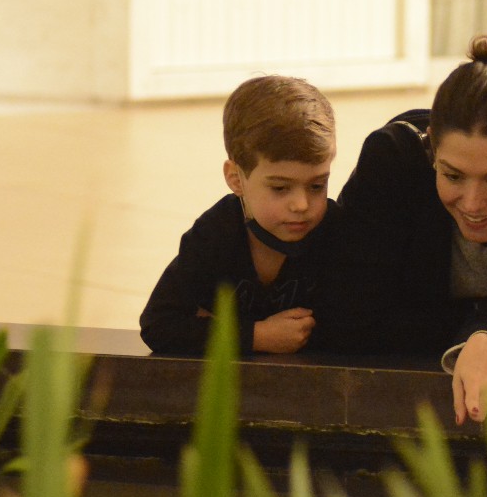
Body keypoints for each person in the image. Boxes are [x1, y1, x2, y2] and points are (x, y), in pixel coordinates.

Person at [322, 35, 487, 424]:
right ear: (431, 151)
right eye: (453, 175)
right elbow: (349, 320)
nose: (473, 203)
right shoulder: (392, 161)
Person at [140, 74, 338, 356]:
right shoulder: (215, 235)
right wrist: (257, 336)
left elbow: (358, 327)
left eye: (317, 185)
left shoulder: (336, 232)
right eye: (280, 188)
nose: (302, 204)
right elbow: (159, 325)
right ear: (236, 179)